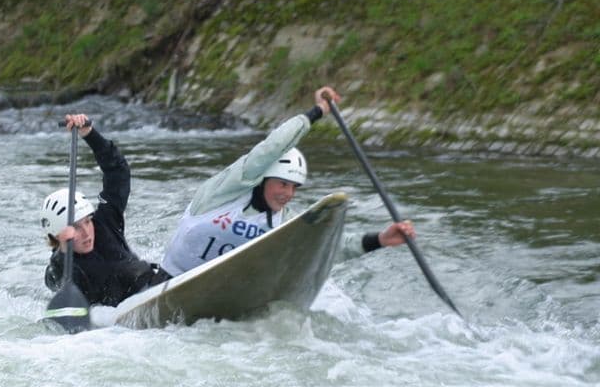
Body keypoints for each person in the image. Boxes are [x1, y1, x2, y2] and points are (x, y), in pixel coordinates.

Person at [161, 86, 415, 276]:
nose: (288, 194)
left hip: (222, 292)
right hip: (170, 279)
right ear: (262, 179)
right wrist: (317, 112)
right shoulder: (223, 191)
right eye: (282, 184)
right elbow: (271, 148)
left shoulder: (285, 223)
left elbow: (324, 248)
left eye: (294, 187)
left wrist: (380, 240)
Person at [40, 114, 170, 306]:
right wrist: (63, 253)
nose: (86, 232)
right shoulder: (62, 267)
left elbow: (118, 172)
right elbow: (53, 280)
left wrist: (90, 135)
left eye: (87, 221)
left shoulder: (105, 221)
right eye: (76, 227)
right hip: (120, 319)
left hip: (153, 285)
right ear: (58, 236)